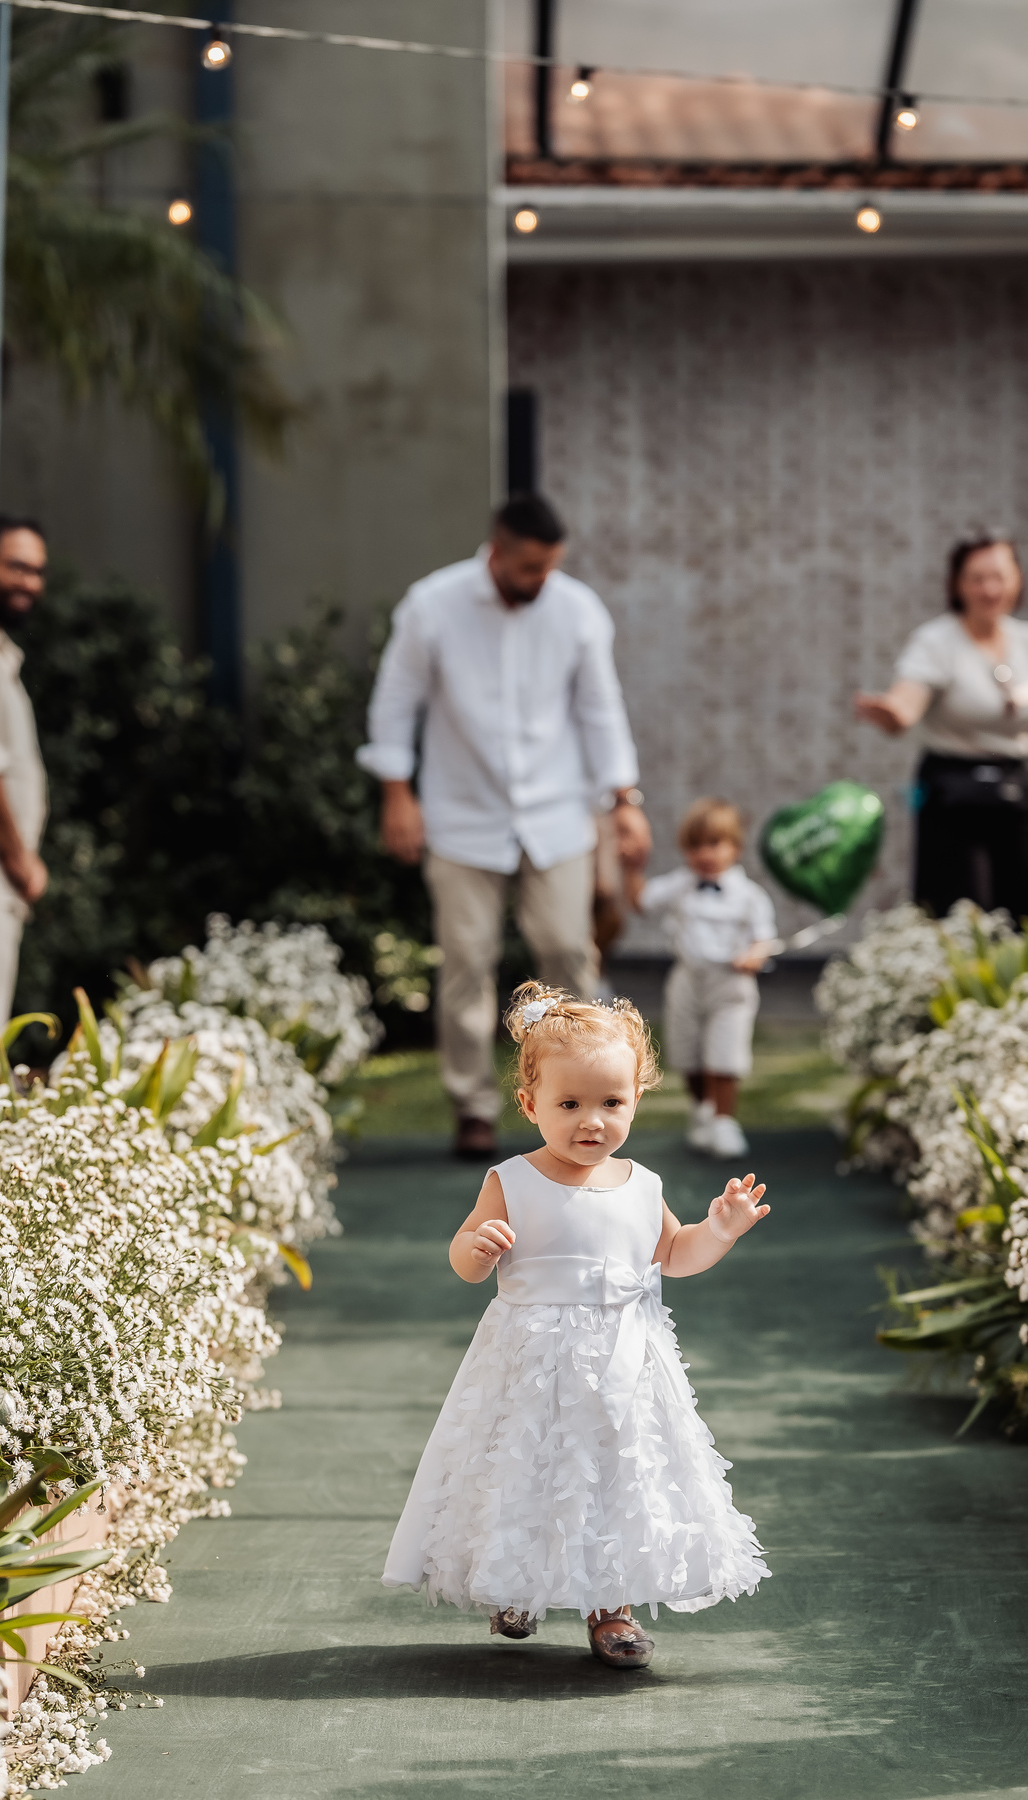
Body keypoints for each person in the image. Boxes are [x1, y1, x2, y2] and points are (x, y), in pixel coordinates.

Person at [382, 982, 770, 1667]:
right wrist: (476, 1249)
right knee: (526, 1468)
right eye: (569, 1105)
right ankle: (515, 1584)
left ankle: (611, 1607)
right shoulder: (512, 1180)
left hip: (625, 1359)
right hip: (533, 1362)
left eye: (611, 1103)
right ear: (529, 1104)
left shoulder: (642, 1185)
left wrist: (720, 1229)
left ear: (636, 1100)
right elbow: (465, 1259)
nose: (591, 1122)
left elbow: (675, 1256)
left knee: (615, 1473)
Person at [357, 494, 651, 1161]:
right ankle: (473, 1108)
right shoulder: (432, 605)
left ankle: (588, 1097)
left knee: (567, 951)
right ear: (495, 551)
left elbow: (601, 710)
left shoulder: (577, 610)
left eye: (549, 567)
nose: (540, 580)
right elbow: (396, 702)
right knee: (466, 958)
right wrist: (397, 793)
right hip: (462, 813)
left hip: (558, 811)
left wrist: (624, 800)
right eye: (528, 568)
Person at [855, 534, 1028, 952]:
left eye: (999, 576)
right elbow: (907, 702)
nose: (989, 589)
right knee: (963, 918)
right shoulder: (936, 641)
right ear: (957, 585)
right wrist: (892, 713)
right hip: (955, 794)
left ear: (1018, 579)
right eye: (977, 578)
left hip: (1019, 791)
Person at [627, 798, 777, 1160]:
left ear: (735, 847)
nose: (704, 854)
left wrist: (753, 956)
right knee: (687, 1051)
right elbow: (642, 901)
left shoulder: (750, 896)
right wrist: (631, 866)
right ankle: (702, 1112)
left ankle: (724, 1121)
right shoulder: (680, 884)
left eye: (714, 844)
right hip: (687, 980)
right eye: (695, 846)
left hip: (730, 983)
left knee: (725, 1051)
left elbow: (764, 939)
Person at [0, 516, 49, 1061]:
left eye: (37, 571)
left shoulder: (0, 650)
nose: (29, 582)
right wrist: (19, 855)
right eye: (16, 566)